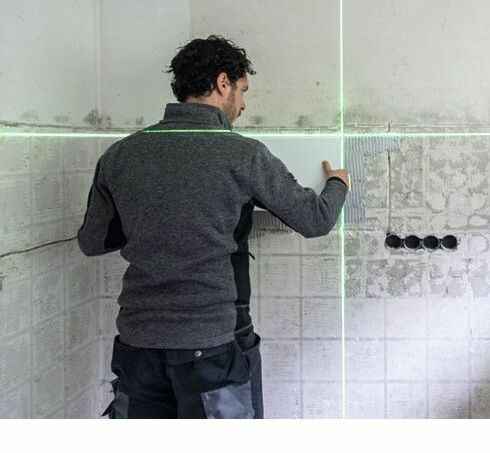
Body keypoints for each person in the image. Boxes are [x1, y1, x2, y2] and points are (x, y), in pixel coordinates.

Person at [77, 35, 349, 419]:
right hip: (212, 348)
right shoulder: (242, 153)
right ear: (223, 83)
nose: (243, 104)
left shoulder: (119, 155)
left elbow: (93, 242)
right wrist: (338, 183)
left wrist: (150, 216)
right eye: (242, 90)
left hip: (138, 345)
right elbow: (316, 220)